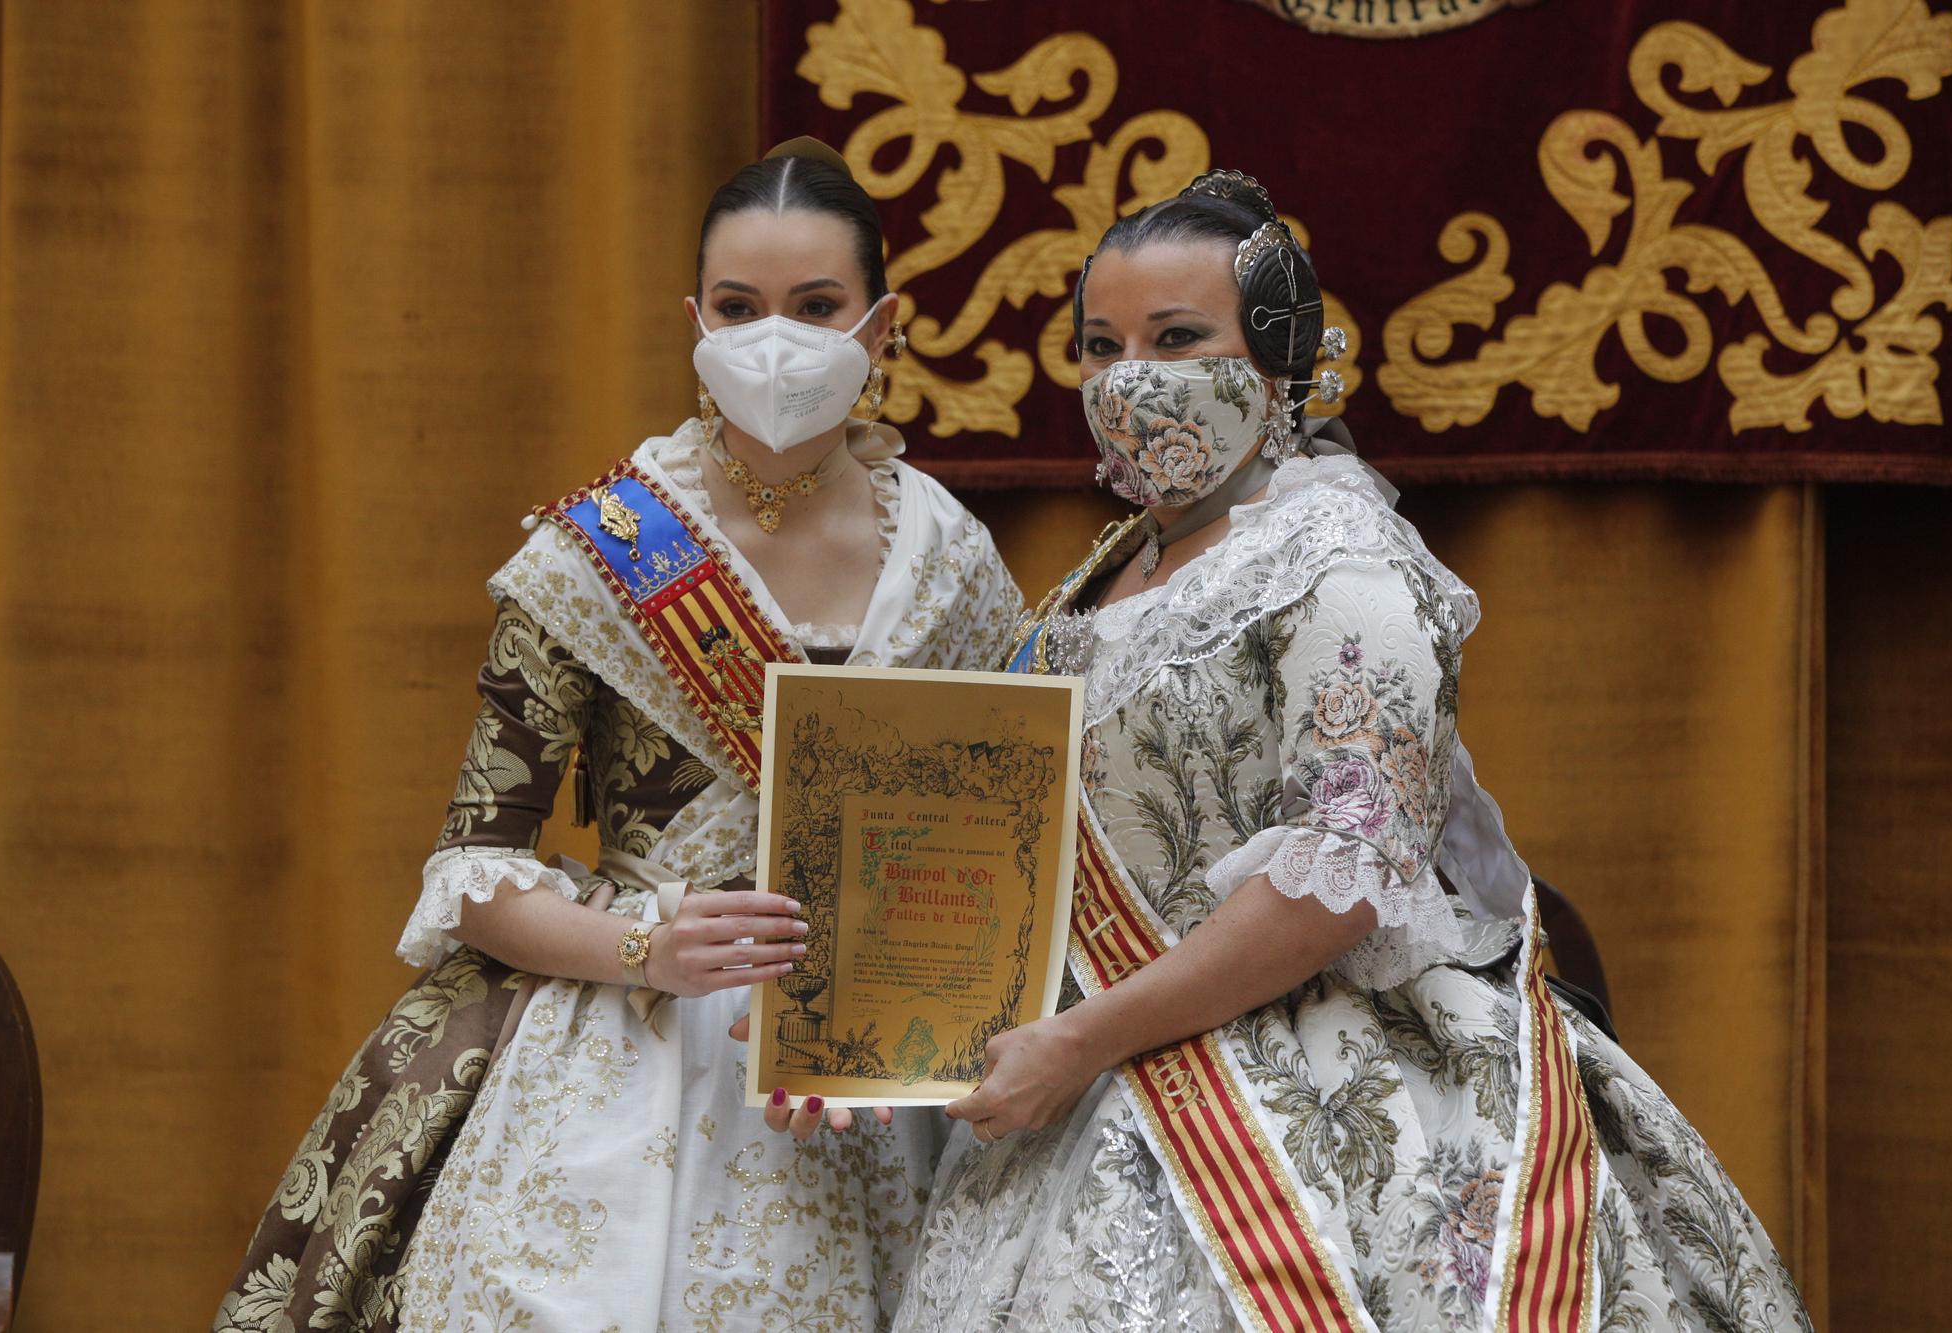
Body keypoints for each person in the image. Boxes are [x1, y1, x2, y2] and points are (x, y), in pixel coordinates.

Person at [890, 171, 1811, 1332]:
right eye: (1099, 344)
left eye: (1176, 337)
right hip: (1086, 1075)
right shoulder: (1107, 566)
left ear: (1278, 359)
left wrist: (1082, 1039)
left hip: (1310, 1081)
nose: (1130, 377)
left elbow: (1334, 887)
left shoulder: (1343, 559)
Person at [216, 139, 1024, 1333]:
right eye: (740, 308)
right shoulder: (595, 552)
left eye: (816, 307)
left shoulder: (954, 565)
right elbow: (472, 873)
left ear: (881, 322)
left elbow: (996, 854)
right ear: (692, 320)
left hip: (871, 1080)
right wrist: (649, 946)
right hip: (619, 1054)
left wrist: (880, 1019)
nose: (774, 341)